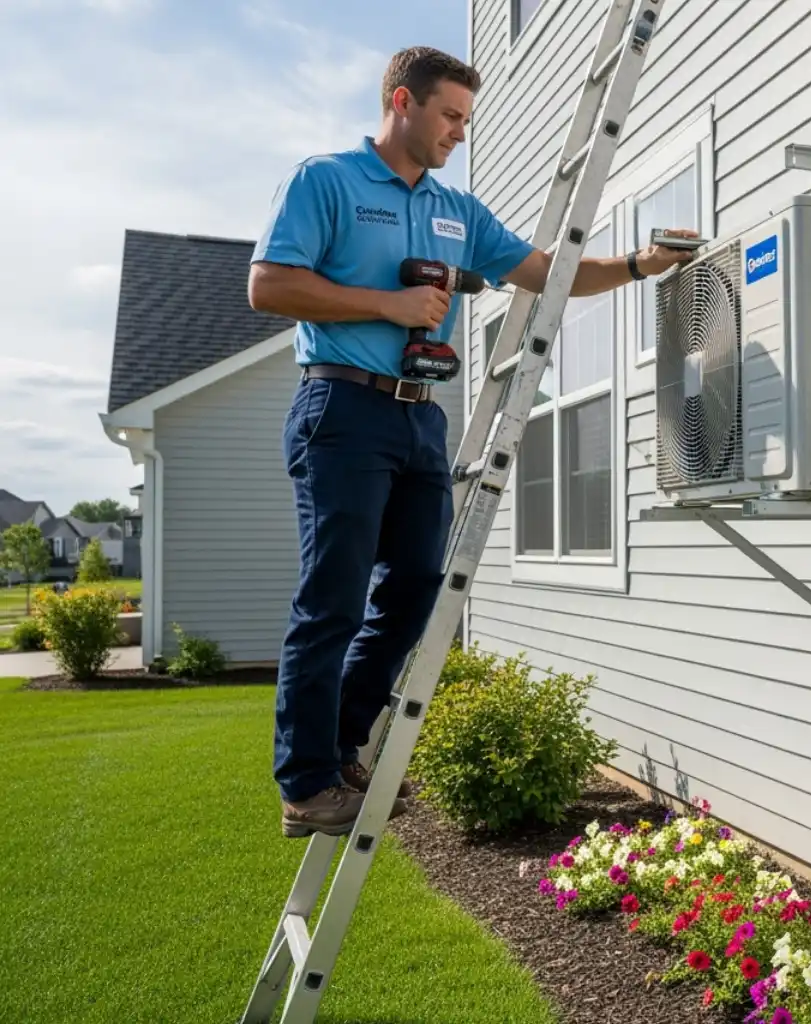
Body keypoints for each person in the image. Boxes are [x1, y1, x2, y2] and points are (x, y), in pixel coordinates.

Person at [248, 46, 696, 839]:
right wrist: (386, 306)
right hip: (341, 406)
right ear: (402, 102)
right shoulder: (327, 180)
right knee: (333, 598)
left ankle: (340, 748)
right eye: (450, 115)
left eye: (465, 119)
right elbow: (269, 285)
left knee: (417, 588)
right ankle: (305, 785)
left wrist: (638, 263)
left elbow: (548, 271)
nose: (460, 131)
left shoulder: (457, 209)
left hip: (421, 415)